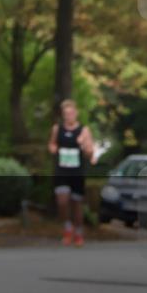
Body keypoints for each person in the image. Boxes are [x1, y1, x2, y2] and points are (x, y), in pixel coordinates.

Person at [48, 98, 94, 247]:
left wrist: (85, 146)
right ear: (63, 115)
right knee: (62, 201)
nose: (69, 116)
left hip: (77, 171)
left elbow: (90, 152)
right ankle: (68, 228)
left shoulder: (84, 131)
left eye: (71, 113)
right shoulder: (57, 129)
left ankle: (79, 232)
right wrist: (53, 149)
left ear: (76, 113)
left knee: (77, 203)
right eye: (66, 114)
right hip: (62, 170)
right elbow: (52, 144)